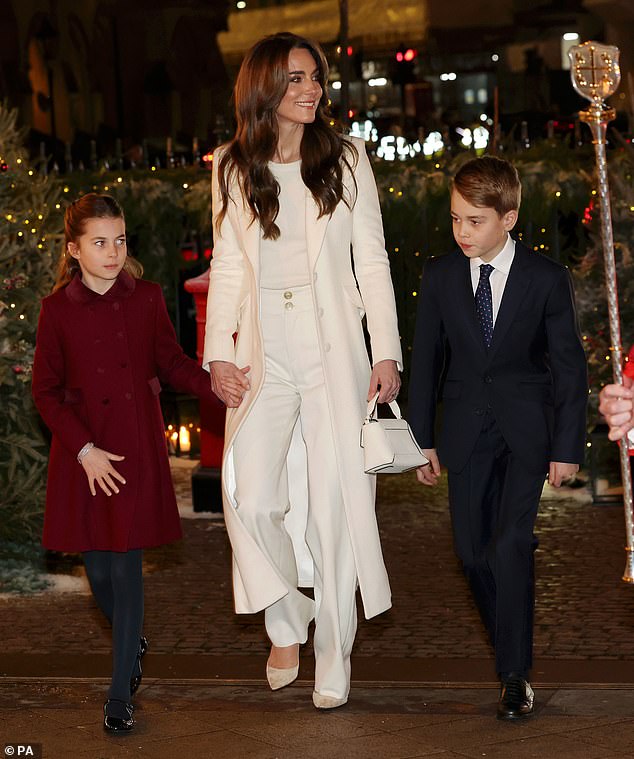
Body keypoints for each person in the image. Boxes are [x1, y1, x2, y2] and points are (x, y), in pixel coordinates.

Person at [203, 32, 401, 709]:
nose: (311, 88)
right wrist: (220, 354)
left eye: (315, 77)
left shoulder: (345, 158)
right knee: (249, 496)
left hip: (333, 343)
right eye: (295, 78)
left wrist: (385, 351)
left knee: (335, 500)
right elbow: (228, 263)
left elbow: (371, 259)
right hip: (264, 345)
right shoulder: (232, 165)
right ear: (264, 88)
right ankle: (288, 615)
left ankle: (333, 650)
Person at [409, 156, 587, 720]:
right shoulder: (439, 277)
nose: (462, 231)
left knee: (511, 544)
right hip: (463, 432)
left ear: (508, 218)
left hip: (526, 433)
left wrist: (566, 447)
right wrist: (422, 440)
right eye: (456, 219)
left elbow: (569, 367)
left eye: (475, 221)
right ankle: (511, 646)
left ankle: (514, 674)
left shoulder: (545, 278)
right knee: (471, 553)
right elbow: (426, 363)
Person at [32, 194, 215, 733]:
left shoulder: (148, 299)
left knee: (127, 567)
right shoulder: (56, 310)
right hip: (84, 454)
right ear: (74, 249)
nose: (113, 252)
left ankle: (117, 695)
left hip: (134, 450)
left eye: (120, 240)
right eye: (99, 242)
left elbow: (174, 362)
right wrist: (84, 450)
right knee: (98, 571)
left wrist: (215, 384)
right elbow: (44, 392)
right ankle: (131, 643)